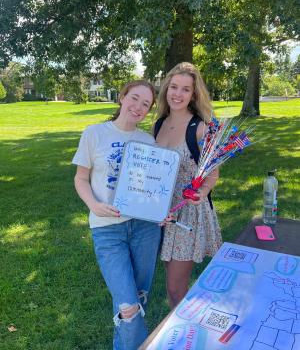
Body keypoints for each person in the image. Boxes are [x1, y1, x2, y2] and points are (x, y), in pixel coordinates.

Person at [72, 80, 161, 350]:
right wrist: (93, 205)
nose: (138, 107)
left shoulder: (147, 140)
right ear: (122, 97)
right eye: (134, 98)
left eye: (146, 104)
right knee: (128, 305)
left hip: (145, 228)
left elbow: (151, 186)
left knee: (139, 297)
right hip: (107, 229)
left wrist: (158, 210)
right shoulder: (94, 133)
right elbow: (81, 178)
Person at [154, 62, 222, 309]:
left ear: (194, 94)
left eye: (185, 89)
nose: (177, 94)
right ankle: (182, 331)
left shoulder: (200, 128)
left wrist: (202, 193)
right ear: (166, 89)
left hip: (188, 213)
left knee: (175, 287)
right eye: (173, 87)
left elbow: (213, 173)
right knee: (171, 283)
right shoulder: (158, 124)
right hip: (161, 211)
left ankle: (185, 336)